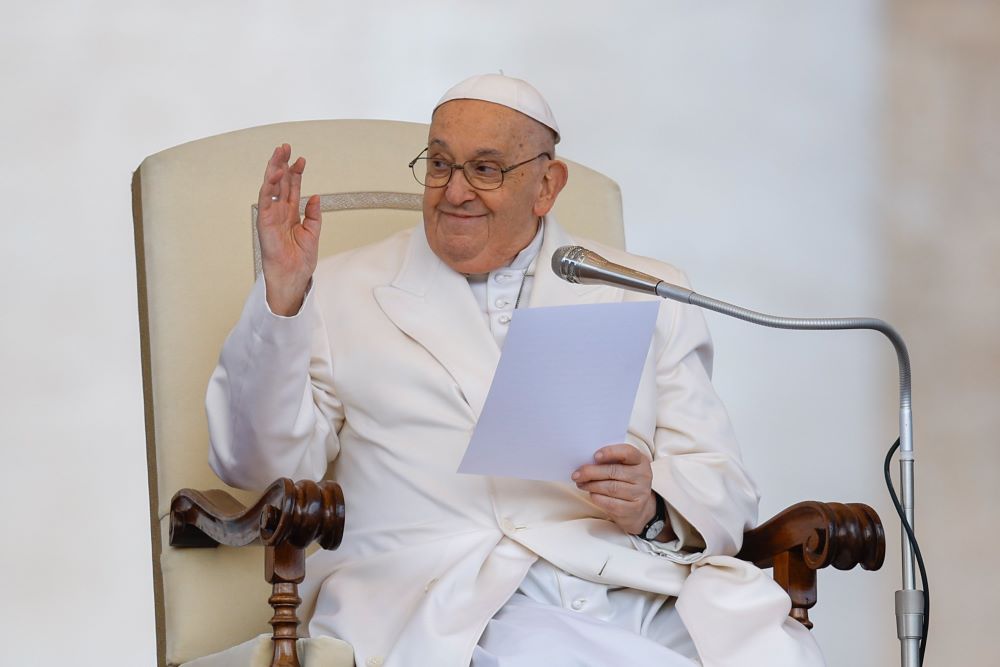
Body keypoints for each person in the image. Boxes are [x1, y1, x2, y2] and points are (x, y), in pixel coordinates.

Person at [207, 74, 823, 666]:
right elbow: (259, 467)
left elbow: (724, 482)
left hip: (637, 589)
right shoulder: (339, 290)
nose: (454, 192)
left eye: (486, 169)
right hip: (443, 599)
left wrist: (654, 506)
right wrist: (283, 296)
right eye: (441, 164)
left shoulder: (642, 291)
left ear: (548, 185)